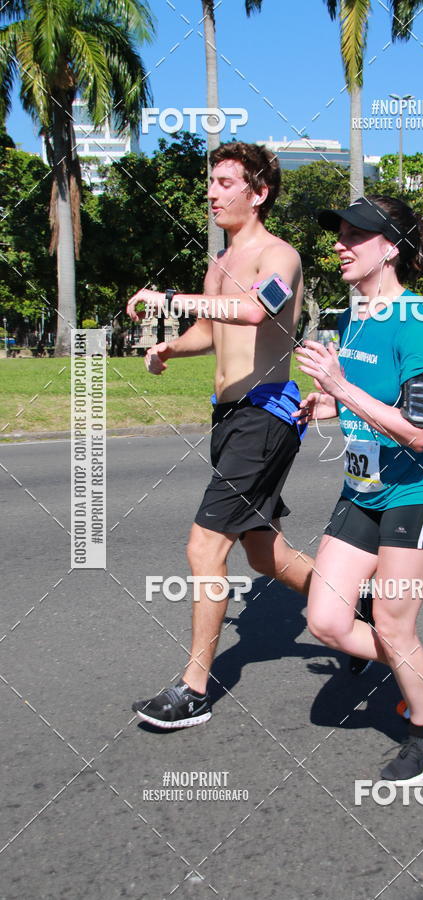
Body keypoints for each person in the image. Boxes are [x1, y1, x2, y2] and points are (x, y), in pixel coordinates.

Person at [125, 142, 317, 728]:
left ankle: (194, 690)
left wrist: (165, 299)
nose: (212, 192)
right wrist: (170, 344)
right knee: (265, 554)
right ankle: (357, 602)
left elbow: (259, 312)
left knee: (204, 547)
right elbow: (211, 327)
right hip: (230, 419)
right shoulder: (220, 262)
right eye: (210, 181)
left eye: (225, 182)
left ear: (257, 193)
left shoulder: (277, 256)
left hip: (265, 414)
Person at [295, 195, 423, 784]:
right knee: (326, 621)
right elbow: (362, 398)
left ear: (390, 248)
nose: (340, 244)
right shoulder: (354, 315)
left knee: (392, 623)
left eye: (355, 236)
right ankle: (422, 662)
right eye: (338, 233)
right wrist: (318, 402)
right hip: (364, 488)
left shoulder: (419, 323)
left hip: (422, 491)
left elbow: (418, 431)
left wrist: (338, 383)